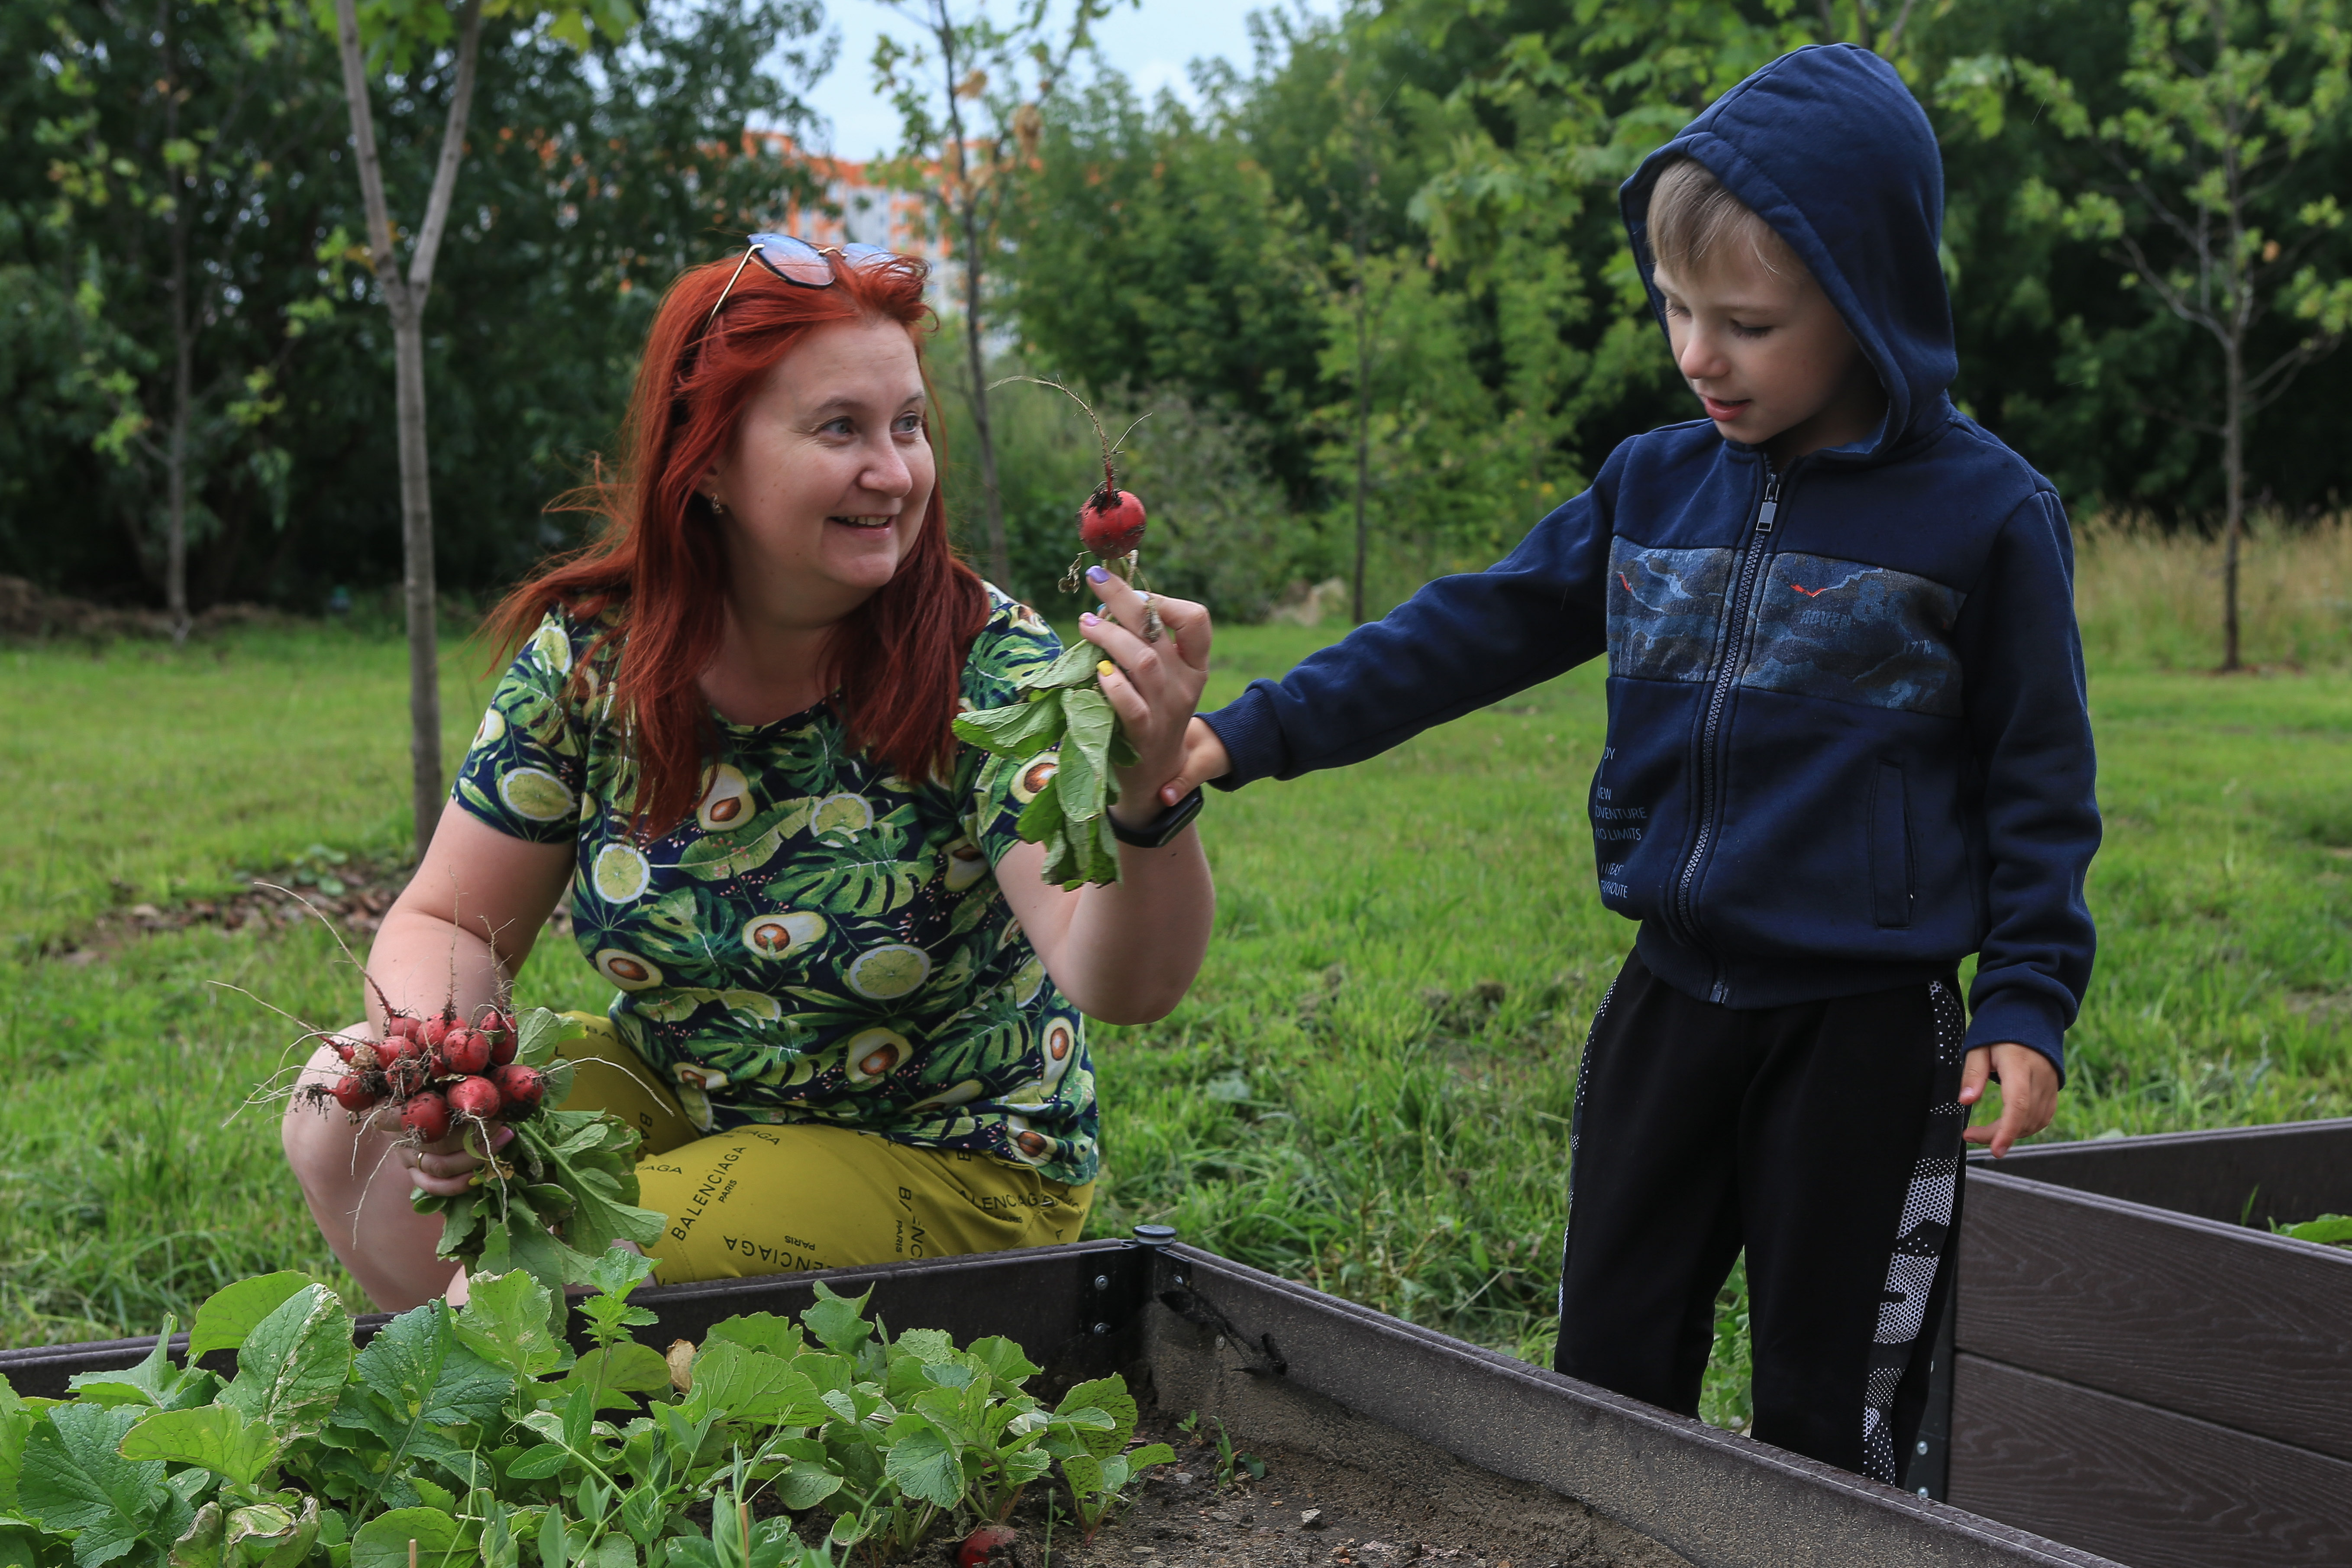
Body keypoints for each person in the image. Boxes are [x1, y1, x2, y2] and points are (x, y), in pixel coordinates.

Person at [1158, 45, 2099, 1484]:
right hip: (1669, 996)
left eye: (1747, 322)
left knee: (1827, 1393)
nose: (1696, 354)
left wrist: (2027, 998)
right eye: (1673, 308)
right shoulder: (1652, 487)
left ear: (1867, 306)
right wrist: (1249, 727)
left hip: (1860, 1030)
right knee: (1602, 1375)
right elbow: (1466, 630)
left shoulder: (1983, 517)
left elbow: (2041, 780)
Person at [283, 237, 1217, 1310]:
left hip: (945, 1156)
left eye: (908, 425)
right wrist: (446, 1073)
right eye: (841, 428)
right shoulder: (599, 656)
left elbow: (1122, 981)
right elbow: (448, 919)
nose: (895, 469)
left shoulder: (984, 665)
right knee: (344, 1103)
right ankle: (529, 1402)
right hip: (694, 1103)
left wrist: (1147, 800)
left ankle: (530, 1385)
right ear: (711, 457)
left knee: (565, 1275)